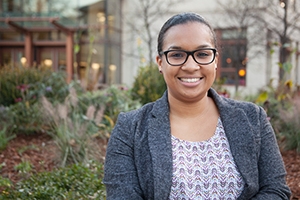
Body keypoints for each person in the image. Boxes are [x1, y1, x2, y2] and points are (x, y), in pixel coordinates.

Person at [103, 12, 291, 200]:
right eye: (176, 55)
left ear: (215, 61)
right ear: (160, 63)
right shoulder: (130, 129)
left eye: (202, 54)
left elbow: (276, 190)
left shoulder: (252, 118)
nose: (191, 66)